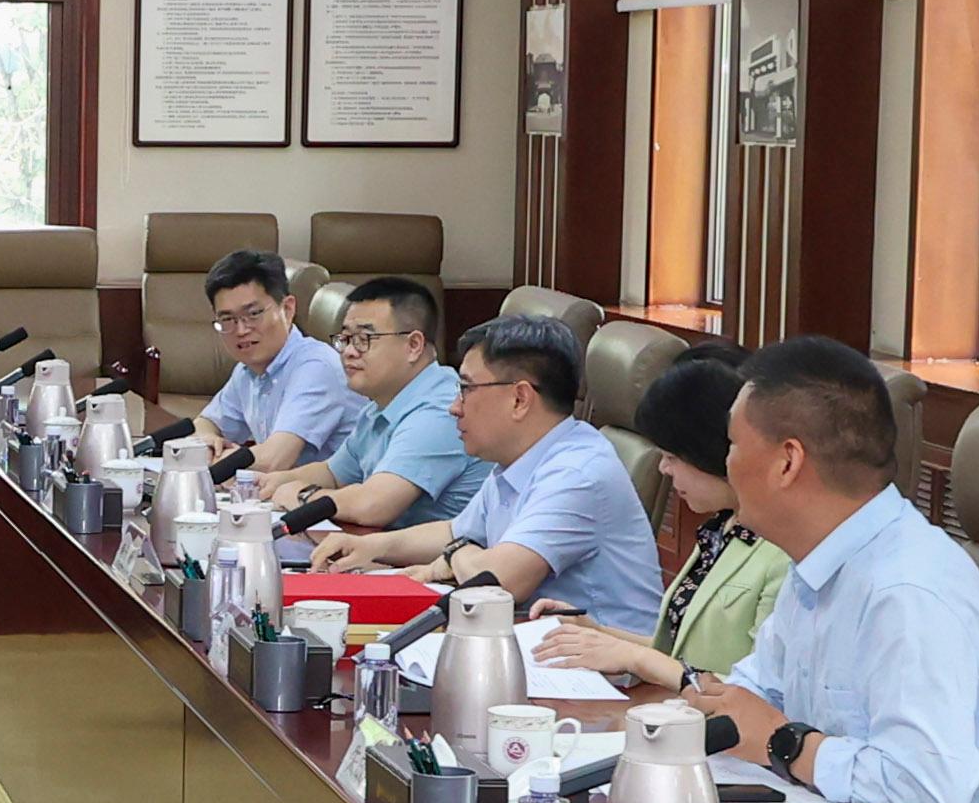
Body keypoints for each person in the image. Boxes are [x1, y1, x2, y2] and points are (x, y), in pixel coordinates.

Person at [665, 337, 979, 803]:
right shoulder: (815, 564)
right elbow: (756, 694)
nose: (726, 463)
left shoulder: (910, 593)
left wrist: (784, 742)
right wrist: (706, 709)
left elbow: (925, 790)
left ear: (787, 462)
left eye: (732, 444)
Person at [316, 315, 661, 636]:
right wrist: (370, 546)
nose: (454, 407)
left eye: (466, 389)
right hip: (536, 643)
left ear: (519, 399)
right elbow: (456, 531)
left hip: (605, 673)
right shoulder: (519, 457)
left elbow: (498, 581)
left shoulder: (577, 473)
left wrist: (454, 556)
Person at [532, 347, 786, 683]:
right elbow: (678, 652)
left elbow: (758, 691)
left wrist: (633, 657)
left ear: (710, 451)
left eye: (672, 456)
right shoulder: (721, 527)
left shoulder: (784, 551)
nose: (664, 469)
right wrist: (595, 634)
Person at [260, 275, 480, 539]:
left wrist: (302, 495)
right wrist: (274, 482)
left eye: (364, 338)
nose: (349, 352)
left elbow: (373, 506)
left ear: (413, 345)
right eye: (345, 338)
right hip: (388, 550)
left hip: (445, 559)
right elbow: (333, 473)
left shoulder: (442, 410)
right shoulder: (382, 404)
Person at [182, 247, 358, 468]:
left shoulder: (317, 367)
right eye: (227, 319)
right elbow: (205, 423)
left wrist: (213, 458)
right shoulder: (248, 370)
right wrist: (207, 441)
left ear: (287, 309)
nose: (241, 330)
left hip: (345, 489)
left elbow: (273, 460)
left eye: (253, 314)